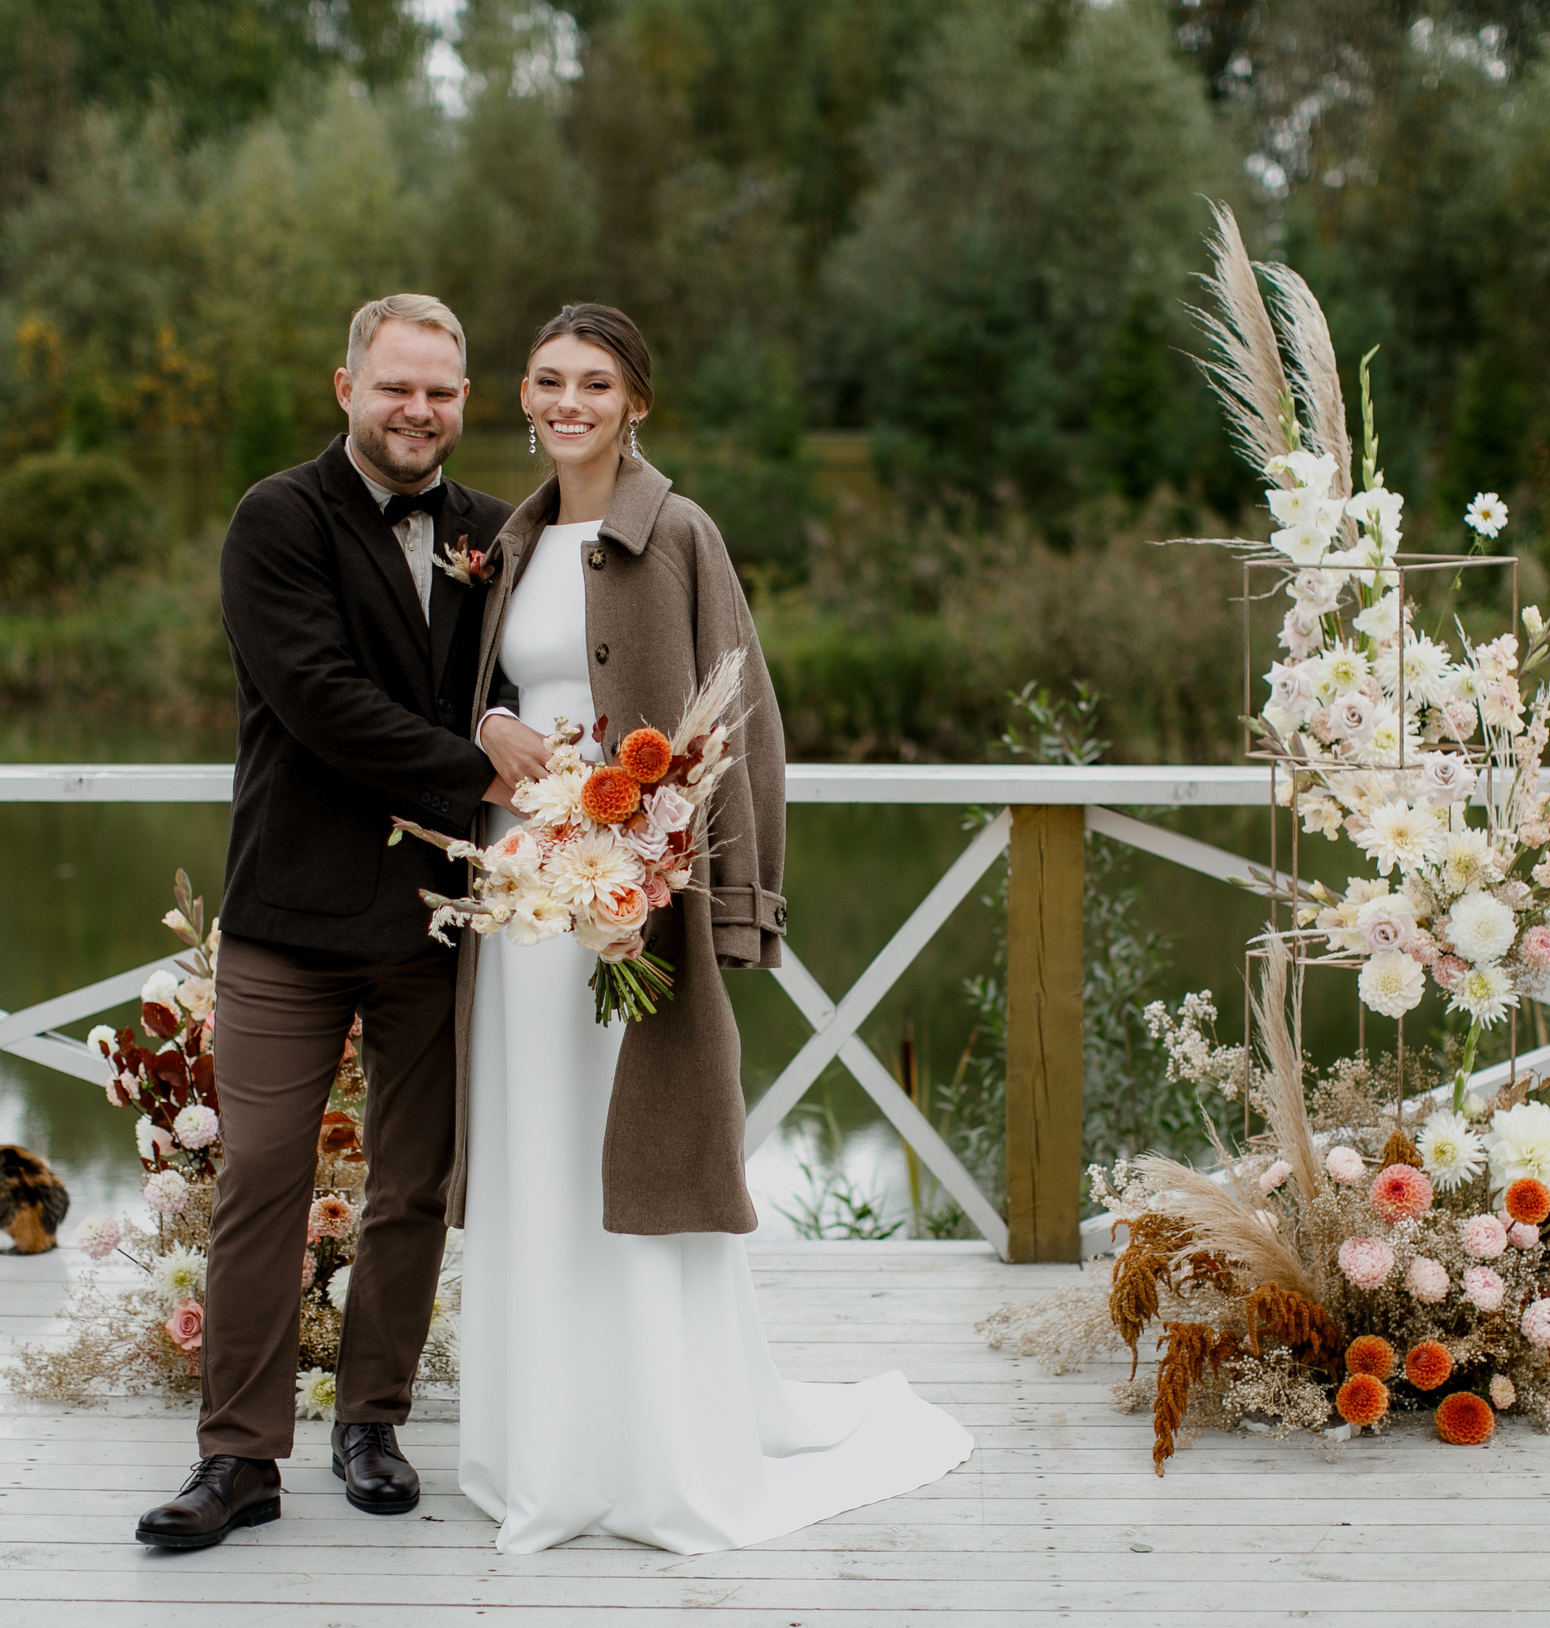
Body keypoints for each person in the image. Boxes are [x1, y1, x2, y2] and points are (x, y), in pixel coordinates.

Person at [453, 303, 973, 1555]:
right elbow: (481, 705)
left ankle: (656, 1451)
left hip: (637, 901)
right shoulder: (504, 542)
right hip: (525, 901)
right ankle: (548, 1449)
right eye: (545, 381)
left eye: (594, 383)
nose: (565, 402)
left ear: (637, 403)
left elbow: (746, 726)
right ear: (522, 399)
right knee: (537, 1159)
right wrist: (481, 734)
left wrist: (730, 900)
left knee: (633, 1161)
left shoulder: (677, 532)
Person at [136, 294, 519, 1549]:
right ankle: (238, 1459)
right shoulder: (276, 518)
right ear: (345, 387)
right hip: (288, 919)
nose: (420, 412)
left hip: (433, 923)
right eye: (397, 386)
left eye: (443, 393)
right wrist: (485, 767)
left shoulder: (494, 535)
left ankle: (373, 1423)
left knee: (414, 1185)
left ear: (467, 401)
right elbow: (321, 701)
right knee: (261, 1181)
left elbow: (534, 681)